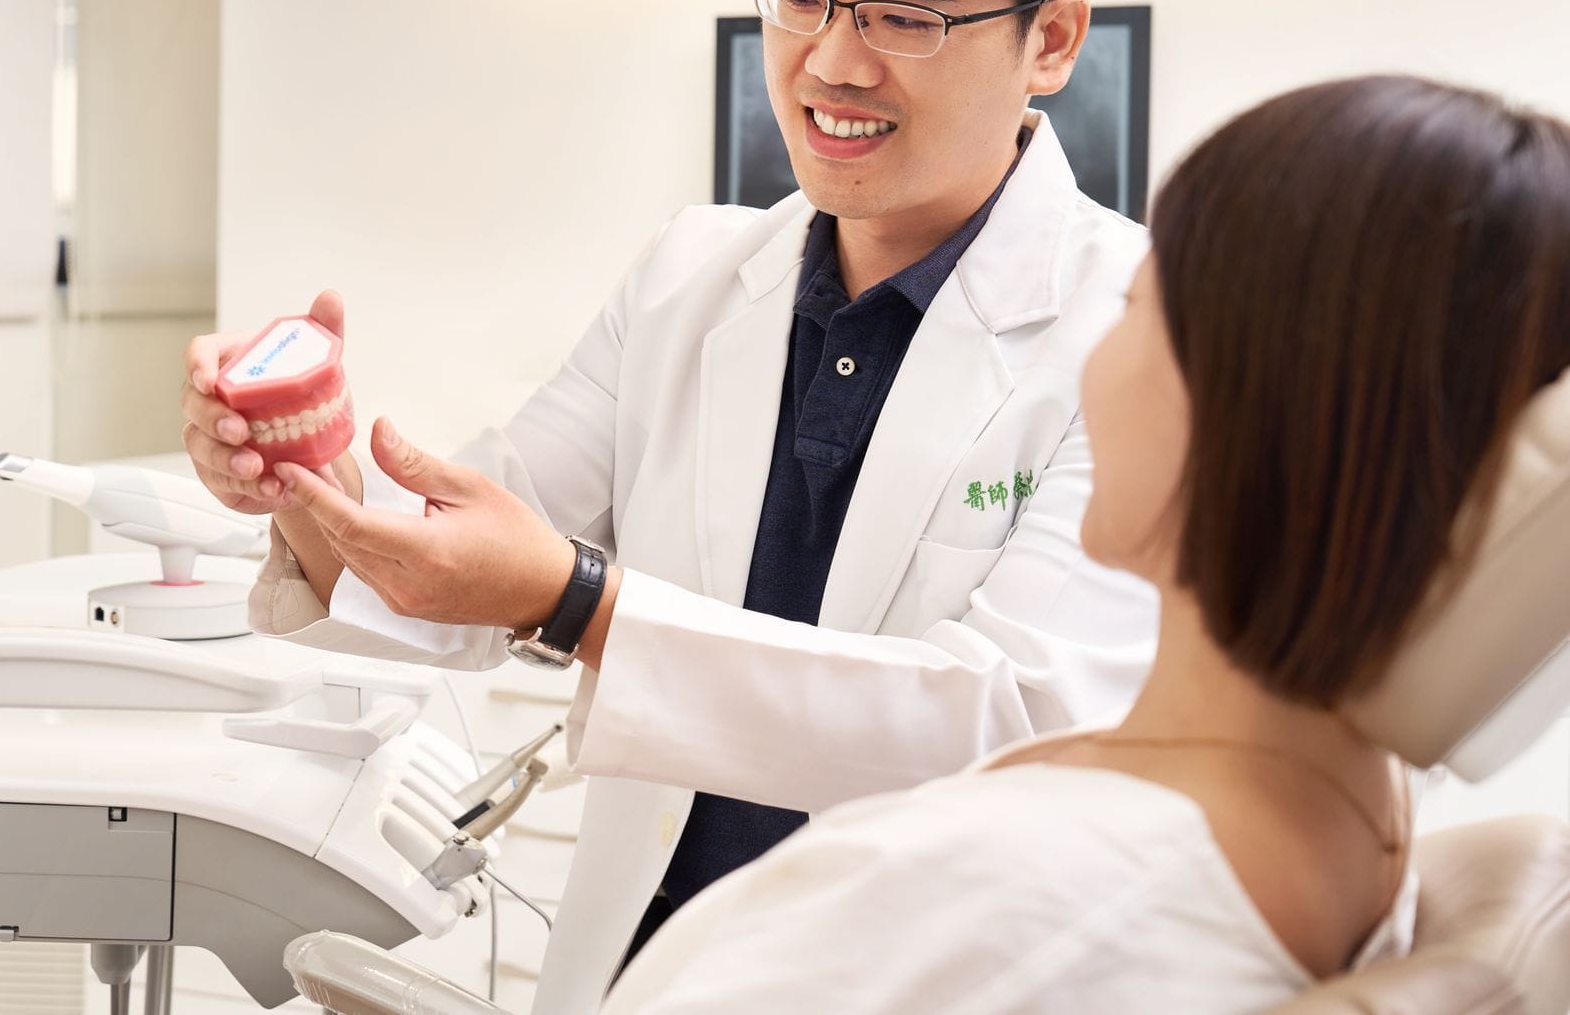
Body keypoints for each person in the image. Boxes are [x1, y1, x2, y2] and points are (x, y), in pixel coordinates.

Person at [184, 0, 1155, 1013]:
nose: (831, 61)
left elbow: (1012, 728)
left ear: (1052, 38)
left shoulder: (1148, 328)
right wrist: (303, 475)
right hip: (651, 974)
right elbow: (459, 559)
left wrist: (576, 604)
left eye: (903, 16)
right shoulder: (689, 277)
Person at [580, 76, 1570, 1013]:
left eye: (1137, 308)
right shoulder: (1350, 826)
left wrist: (570, 602)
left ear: (1248, 408)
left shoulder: (974, 900)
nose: (1094, 358)